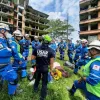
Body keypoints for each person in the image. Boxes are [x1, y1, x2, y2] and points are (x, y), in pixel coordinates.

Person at [31, 35, 54, 100]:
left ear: (42, 40)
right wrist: (51, 71)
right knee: (44, 83)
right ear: (49, 42)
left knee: (37, 79)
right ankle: (42, 97)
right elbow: (51, 63)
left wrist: (33, 67)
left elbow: (32, 58)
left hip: (38, 67)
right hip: (45, 68)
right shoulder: (51, 50)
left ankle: (35, 90)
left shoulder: (36, 48)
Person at [0, 23, 19, 95]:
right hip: (3, 67)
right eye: (7, 31)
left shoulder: (4, 40)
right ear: (2, 31)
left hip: (5, 65)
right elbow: (5, 52)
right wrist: (11, 48)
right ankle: (11, 95)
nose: (8, 33)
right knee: (14, 78)